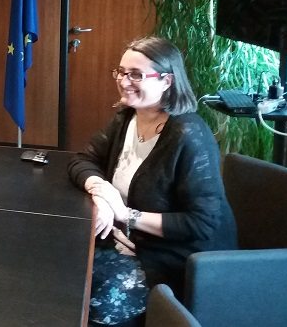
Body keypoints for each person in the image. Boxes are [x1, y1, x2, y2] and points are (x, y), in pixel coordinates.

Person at [67, 36, 237, 326]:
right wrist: (102, 191)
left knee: (88, 299)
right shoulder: (127, 119)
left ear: (167, 81)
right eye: (121, 72)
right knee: (60, 270)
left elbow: (202, 223)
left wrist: (126, 215)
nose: (124, 81)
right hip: (129, 242)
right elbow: (82, 160)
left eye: (136, 74)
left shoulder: (188, 136)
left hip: (179, 262)